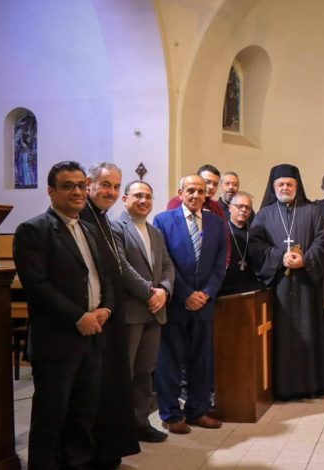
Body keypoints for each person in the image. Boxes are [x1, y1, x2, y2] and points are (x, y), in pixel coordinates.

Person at [14, 161, 114, 469]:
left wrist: (106, 308)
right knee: (51, 419)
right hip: (57, 342)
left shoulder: (88, 228)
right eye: (68, 186)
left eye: (81, 185)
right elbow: (38, 287)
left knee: (83, 415)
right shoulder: (33, 230)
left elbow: (104, 276)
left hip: (92, 337)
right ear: (51, 191)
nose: (77, 192)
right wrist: (78, 317)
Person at [250, 164, 324, 400]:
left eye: (289, 184)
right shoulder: (264, 214)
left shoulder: (312, 211)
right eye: (281, 184)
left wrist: (305, 259)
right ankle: (282, 387)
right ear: (273, 187)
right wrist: (280, 257)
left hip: (307, 286)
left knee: (309, 331)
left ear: (297, 186)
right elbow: (255, 244)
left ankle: (312, 385)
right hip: (279, 287)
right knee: (282, 336)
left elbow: (322, 241)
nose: (285, 187)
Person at [153, 174, 227, 434]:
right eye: (191, 190)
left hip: (204, 305)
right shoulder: (163, 221)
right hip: (176, 303)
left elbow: (220, 263)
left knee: (201, 361)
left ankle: (198, 411)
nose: (196, 195)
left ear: (206, 195)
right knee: (170, 361)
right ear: (180, 193)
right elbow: (165, 262)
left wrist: (206, 293)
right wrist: (186, 294)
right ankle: (171, 414)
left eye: (200, 191)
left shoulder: (217, 223)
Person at [79, 162, 141, 467]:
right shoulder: (82, 219)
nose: (112, 192)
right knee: (94, 393)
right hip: (93, 319)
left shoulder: (103, 219)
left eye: (116, 186)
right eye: (105, 185)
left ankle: (108, 452)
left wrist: (111, 307)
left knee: (113, 387)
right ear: (89, 184)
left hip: (111, 316)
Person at [112, 180, 175, 444]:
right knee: (124, 373)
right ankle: (120, 429)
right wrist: (150, 293)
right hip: (131, 312)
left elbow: (167, 265)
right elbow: (121, 266)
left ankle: (140, 423)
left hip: (154, 311)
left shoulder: (154, 231)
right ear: (125, 199)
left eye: (148, 196)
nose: (144, 201)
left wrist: (165, 291)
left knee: (145, 371)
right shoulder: (115, 227)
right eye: (138, 195)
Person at [219, 192, 264, 296]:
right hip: (225, 288)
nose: (243, 210)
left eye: (247, 207)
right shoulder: (221, 231)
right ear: (230, 208)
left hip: (249, 287)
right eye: (239, 206)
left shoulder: (254, 233)